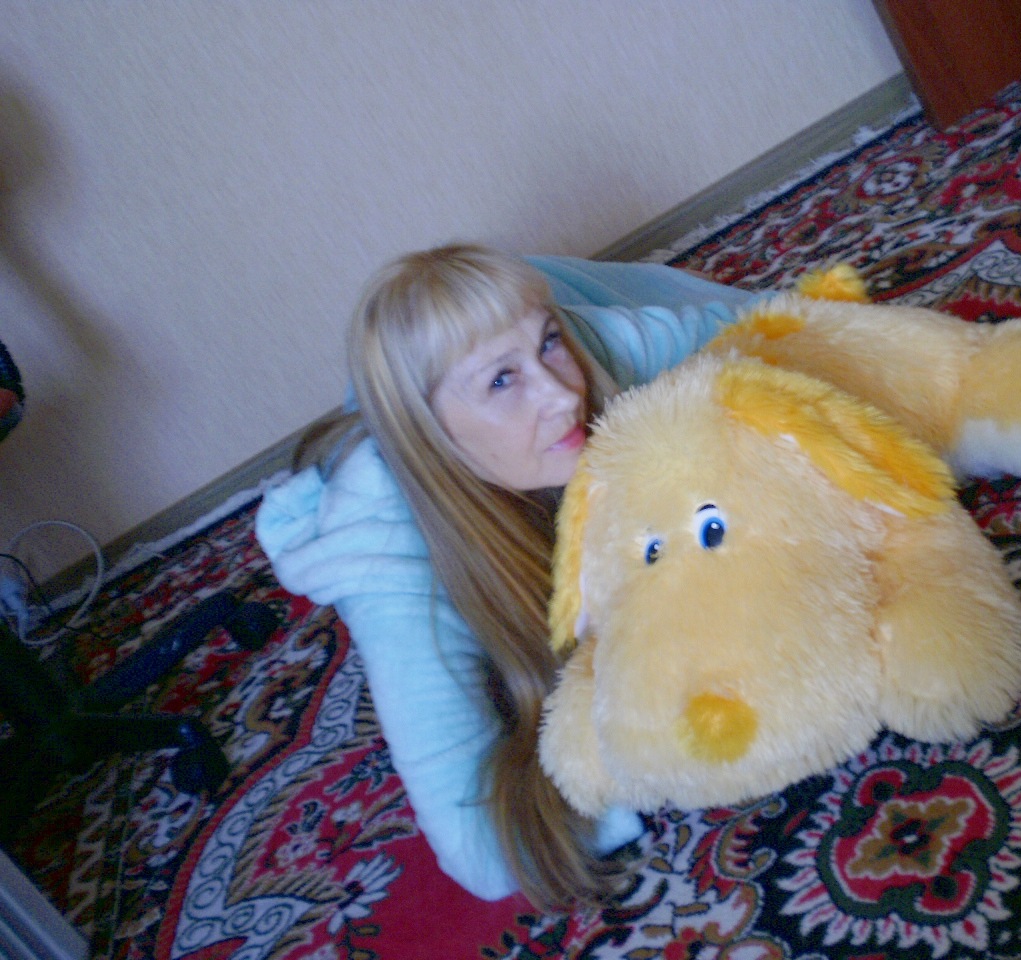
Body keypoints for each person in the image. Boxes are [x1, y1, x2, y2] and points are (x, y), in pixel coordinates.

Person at [256, 245, 759, 911]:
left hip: (576, 289)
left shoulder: (592, 347)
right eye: (501, 382)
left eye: (548, 346)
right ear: (432, 433)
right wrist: (662, 752)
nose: (562, 393)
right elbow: (483, 854)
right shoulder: (387, 555)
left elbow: (794, 330)